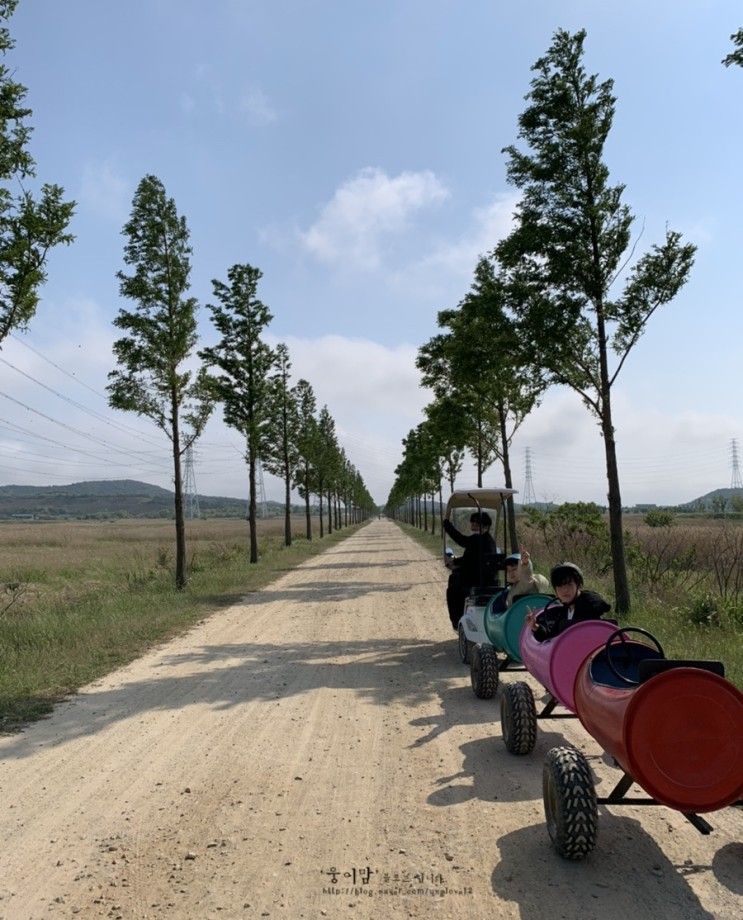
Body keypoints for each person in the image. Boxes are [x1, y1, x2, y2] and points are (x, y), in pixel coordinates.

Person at [525, 562, 610, 641]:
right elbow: (551, 638)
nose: (565, 590)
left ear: (578, 585)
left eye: (569, 584)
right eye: (560, 586)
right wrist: (535, 626)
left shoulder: (589, 606)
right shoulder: (564, 611)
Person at [443, 510, 497, 630]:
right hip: (488, 580)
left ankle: (456, 621)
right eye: (472, 524)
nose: (473, 527)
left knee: (452, 586)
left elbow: (461, 540)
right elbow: (472, 558)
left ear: (486, 526)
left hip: (474, 581)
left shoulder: (478, 539)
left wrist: (447, 525)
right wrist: (455, 562)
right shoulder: (488, 541)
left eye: (476, 525)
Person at [490, 547, 551, 614]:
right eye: (508, 571)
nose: (511, 573)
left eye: (514, 569)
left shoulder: (528, 583)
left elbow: (526, 577)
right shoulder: (509, 590)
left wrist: (525, 563)